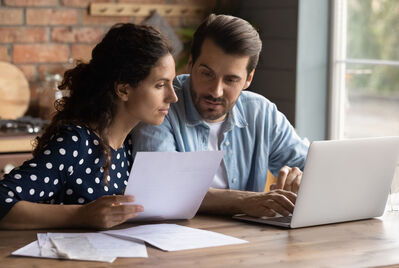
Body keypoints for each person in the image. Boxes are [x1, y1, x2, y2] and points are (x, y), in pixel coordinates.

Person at [0, 23, 177, 229]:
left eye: (172, 83)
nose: (172, 97)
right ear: (123, 89)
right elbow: (2, 200)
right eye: (160, 85)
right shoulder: (76, 143)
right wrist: (80, 215)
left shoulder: (131, 143)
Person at [131, 14, 309, 218]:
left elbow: (313, 167)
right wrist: (245, 201)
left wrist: (304, 179)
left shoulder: (262, 113)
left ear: (248, 79)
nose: (216, 91)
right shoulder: (162, 106)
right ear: (190, 64)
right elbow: (162, 188)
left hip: (250, 241)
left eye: (231, 80)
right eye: (207, 74)